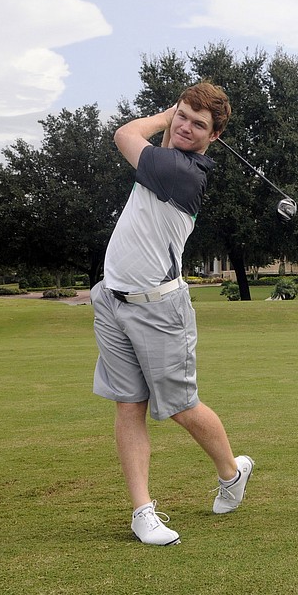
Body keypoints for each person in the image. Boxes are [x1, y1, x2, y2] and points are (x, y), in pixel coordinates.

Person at [92, 82, 254, 546]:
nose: (185, 127)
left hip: (159, 309)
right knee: (129, 405)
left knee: (182, 407)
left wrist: (164, 115)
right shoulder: (163, 164)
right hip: (112, 301)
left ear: (213, 136)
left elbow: (124, 134)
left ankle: (231, 472)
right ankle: (142, 512)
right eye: (183, 115)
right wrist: (176, 117)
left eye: (198, 123)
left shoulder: (182, 171)